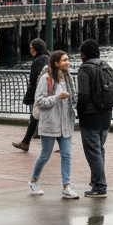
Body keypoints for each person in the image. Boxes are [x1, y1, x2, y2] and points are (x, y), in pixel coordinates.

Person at [29, 50, 78, 199]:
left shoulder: (68, 78)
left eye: (67, 59)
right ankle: (33, 180)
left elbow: (73, 97)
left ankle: (66, 187)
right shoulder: (46, 78)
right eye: (64, 60)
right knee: (45, 154)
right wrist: (57, 97)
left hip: (66, 123)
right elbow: (39, 101)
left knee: (66, 155)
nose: (67, 63)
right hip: (50, 123)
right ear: (56, 63)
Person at [76, 38, 111, 198]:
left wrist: (80, 111)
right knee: (100, 149)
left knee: (93, 151)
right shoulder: (105, 65)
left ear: (84, 54)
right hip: (106, 114)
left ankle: (100, 186)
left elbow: (83, 94)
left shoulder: (85, 69)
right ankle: (95, 180)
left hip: (90, 116)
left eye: (81, 53)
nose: (80, 56)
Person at [12, 38, 49, 151]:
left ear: (36, 49)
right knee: (38, 117)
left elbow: (35, 80)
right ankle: (27, 141)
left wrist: (30, 96)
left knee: (35, 117)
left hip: (40, 93)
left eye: (32, 49)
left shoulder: (39, 61)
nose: (30, 51)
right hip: (46, 92)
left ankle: (26, 142)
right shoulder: (48, 57)